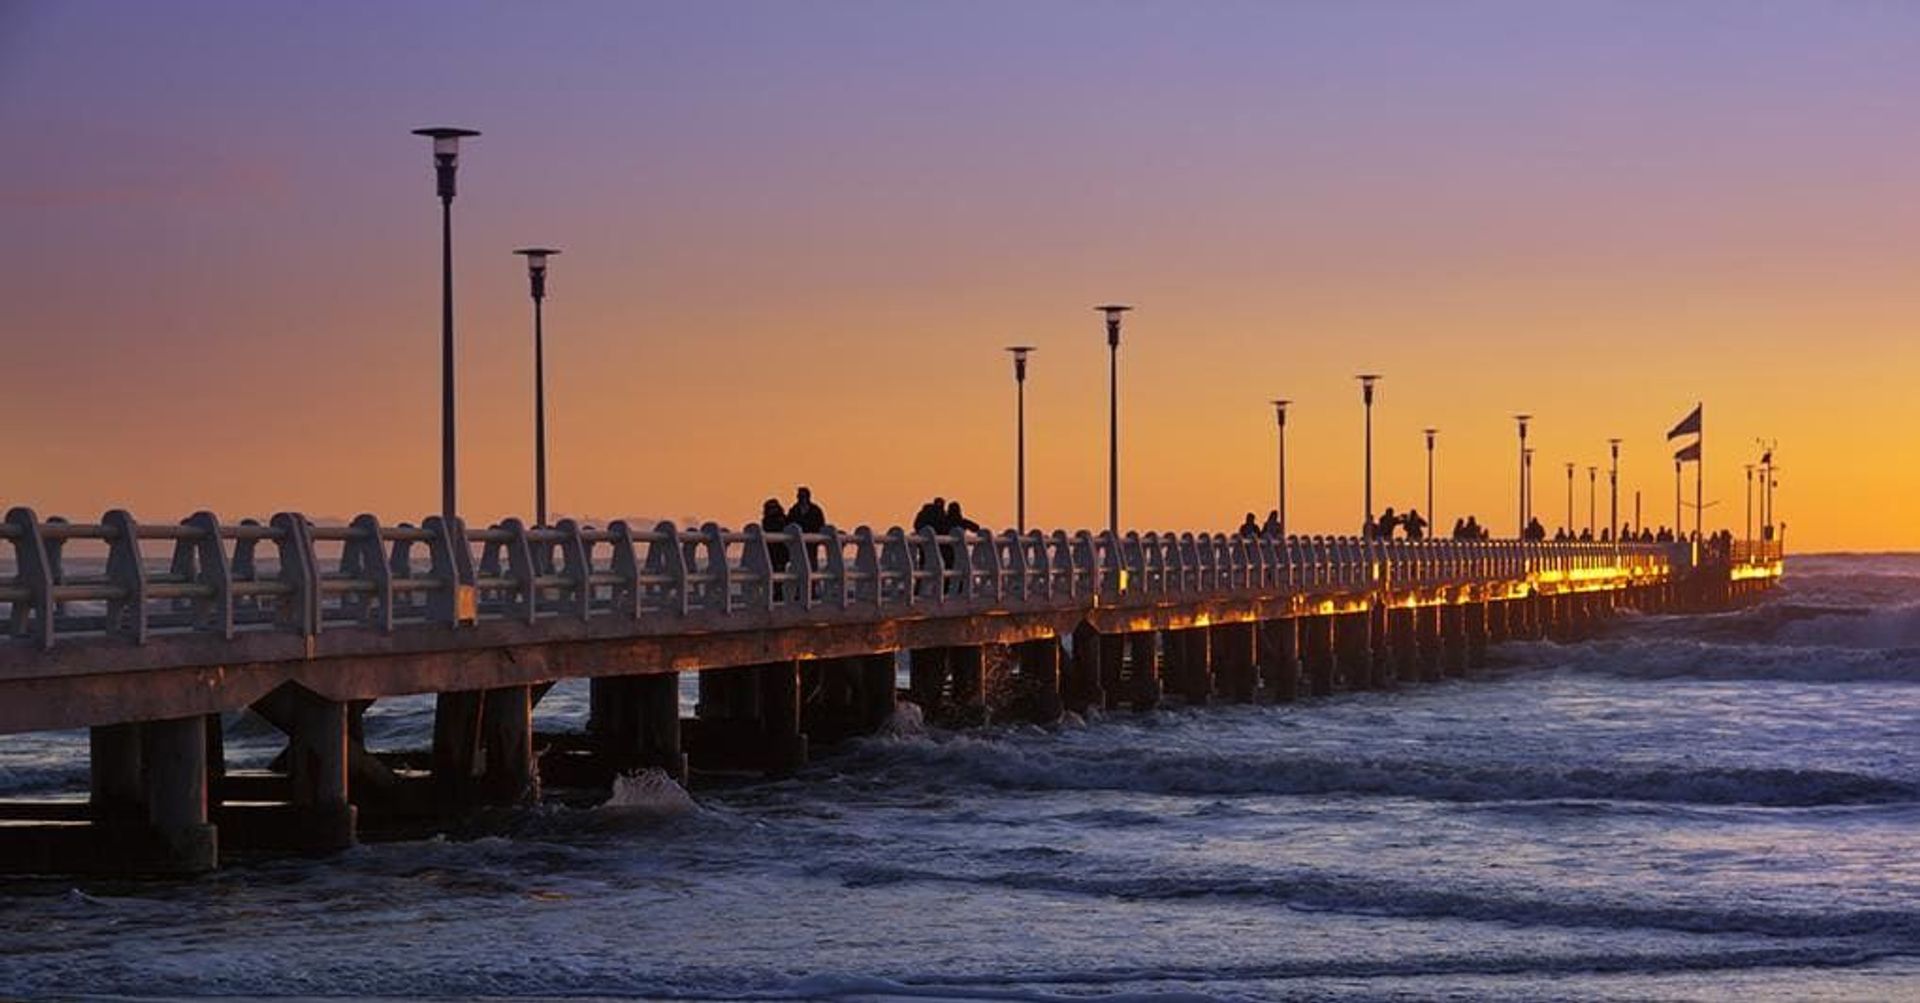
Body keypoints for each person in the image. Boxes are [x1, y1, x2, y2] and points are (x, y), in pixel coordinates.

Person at [759, 498, 789, 599]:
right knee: (772, 570)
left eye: (774, 508)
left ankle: (778, 592)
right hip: (771, 550)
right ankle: (775, 592)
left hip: (780, 550)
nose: (772, 510)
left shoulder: (782, 519)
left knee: (779, 569)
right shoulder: (767, 520)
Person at [789, 486, 825, 569]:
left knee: (812, 562)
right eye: (799, 496)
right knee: (798, 563)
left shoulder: (815, 510)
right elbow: (789, 524)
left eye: (803, 496)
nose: (801, 498)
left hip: (812, 542)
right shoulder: (794, 510)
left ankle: (813, 580)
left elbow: (821, 524)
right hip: (797, 542)